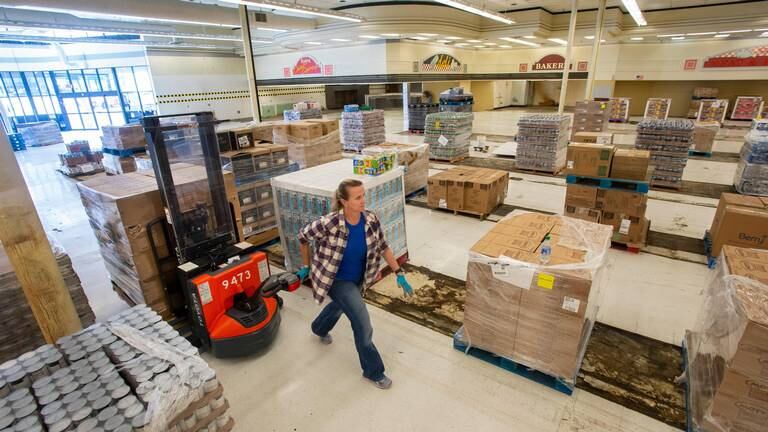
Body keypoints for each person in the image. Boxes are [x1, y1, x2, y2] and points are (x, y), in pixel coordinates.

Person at [296, 179, 412, 390]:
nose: (363, 200)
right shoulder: (329, 223)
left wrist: (398, 272)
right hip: (336, 280)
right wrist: (305, 265)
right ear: (344, 201)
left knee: (341, 306)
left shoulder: (370, 219)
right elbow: (303, 236)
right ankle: (373, 371)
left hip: (359, 277)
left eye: (363, 195)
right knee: (362, 323)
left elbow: (383, 246)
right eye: (357, 197)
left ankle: (319, 327)